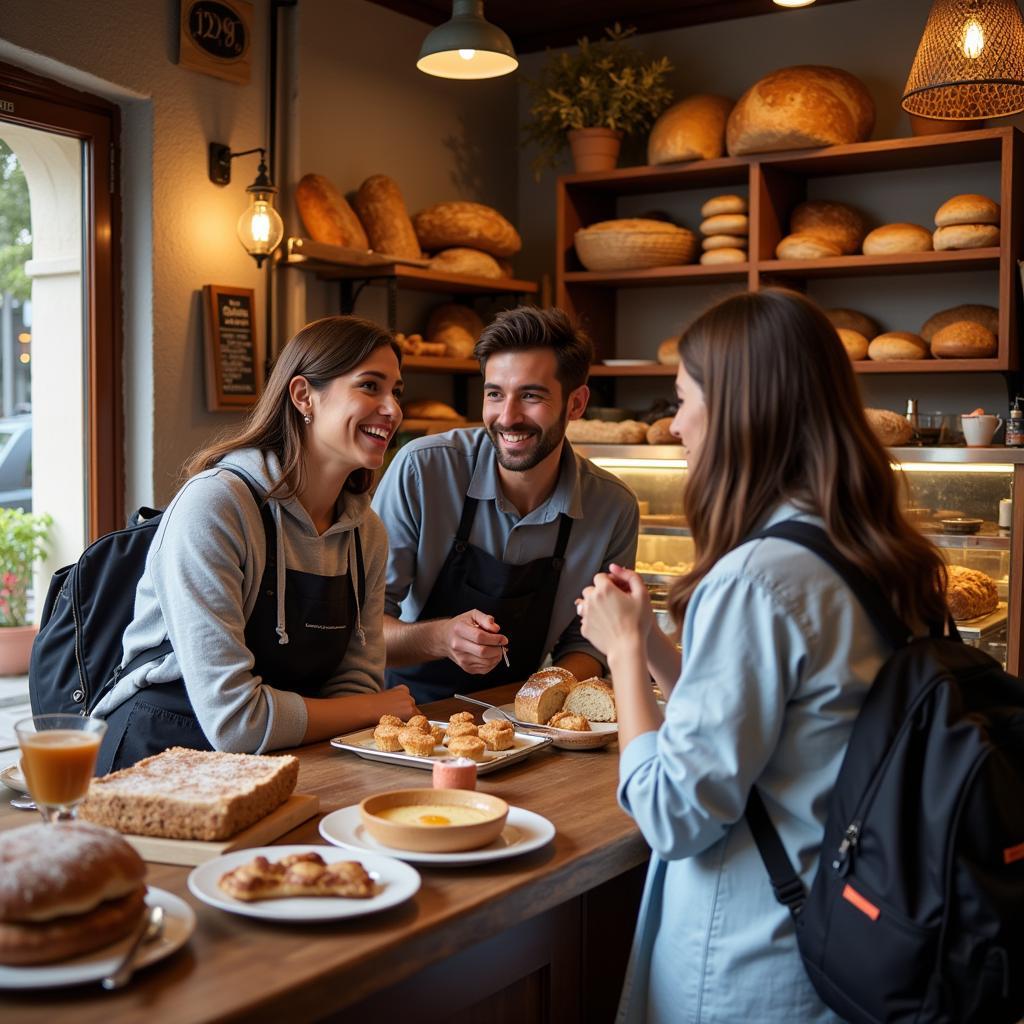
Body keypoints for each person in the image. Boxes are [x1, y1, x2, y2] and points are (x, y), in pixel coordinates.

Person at [575, 289, 949, 1023]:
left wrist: (620, 653)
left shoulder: (756, 577)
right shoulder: (882, 554)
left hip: (756, 957)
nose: (675, 424)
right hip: (850, 933)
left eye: (683, 400)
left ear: (743, 409)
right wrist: (654, 645)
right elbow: (781, 734)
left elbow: (675, 814)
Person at [93, 315, 419, 772]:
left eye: (397, 392)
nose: (392, 408)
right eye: (370, 386)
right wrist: (373, 708)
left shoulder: (367, 535)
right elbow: (235, 721)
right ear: (304, 395)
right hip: (156, 756)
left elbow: (356, 685)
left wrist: (365, 707)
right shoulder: (216, 506)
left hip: (280, 760)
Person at [373, 305, 639, 703]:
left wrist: (535, 699)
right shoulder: (423, 470)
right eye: (495, 394)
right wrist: (442, 637)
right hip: (405, 719)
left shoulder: (612, 507)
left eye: (531, 396)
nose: (507, 417)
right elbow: (361, 630)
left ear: (576, 403)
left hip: (523, 721)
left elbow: (589, 644)